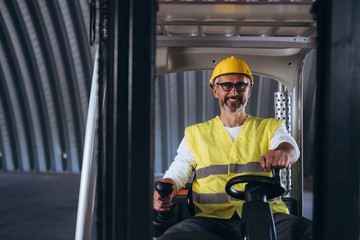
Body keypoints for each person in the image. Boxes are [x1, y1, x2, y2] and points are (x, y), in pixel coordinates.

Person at [153, 56, 312, 240]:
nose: (233, 92)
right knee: (172, 237)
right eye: (226, 86)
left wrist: (282, 153)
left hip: (267, 215)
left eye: (241, 86)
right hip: (211, 219)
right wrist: (163, 194)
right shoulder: (195, 133)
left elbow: (290, 148)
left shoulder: (271, 127)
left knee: (310, 232)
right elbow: (176, 174)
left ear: (249, 90)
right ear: (215, 90)